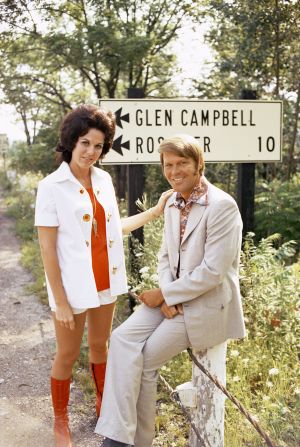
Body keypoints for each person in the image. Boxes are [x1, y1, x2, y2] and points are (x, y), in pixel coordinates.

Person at [95, 134, 246, 447]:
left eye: (182, 164)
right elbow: (166, 257)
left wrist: (165, 295)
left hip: (206, 305)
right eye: (168, 165)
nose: (174, 171)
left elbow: (213, 272)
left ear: (199, 165)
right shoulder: (174, 201)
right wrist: (166, 294)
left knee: (146, 360)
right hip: (174, 298)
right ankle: (116, 433)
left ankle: (134, 443)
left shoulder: (222, 206)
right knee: (122, 339)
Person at [34, 104, 172, 447]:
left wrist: (153, 213)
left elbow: (112, 230)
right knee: (66, 354)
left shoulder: (103, 180)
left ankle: (102, 405)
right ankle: (61, 420)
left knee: (100, 345)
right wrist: (61, 301)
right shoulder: (51, 187)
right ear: (71, 142)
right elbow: (48, 250)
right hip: (70, 288)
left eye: (98, 146)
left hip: (105, 283)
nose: (91, 152)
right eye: (85, 143)